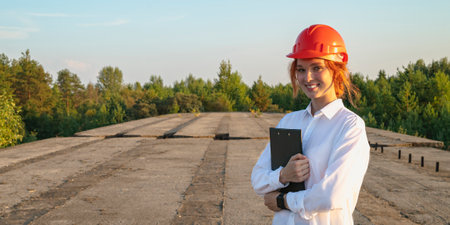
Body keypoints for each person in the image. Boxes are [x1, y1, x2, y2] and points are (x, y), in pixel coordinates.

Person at [251, 24, 370, 225]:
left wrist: (282, 200)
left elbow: (331, 195)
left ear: (337, 70)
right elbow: (257, 180)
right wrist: (282, 175)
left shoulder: (350, 127)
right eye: (301, 69)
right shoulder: (289, 121)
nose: (307, 77)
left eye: (317, 68)